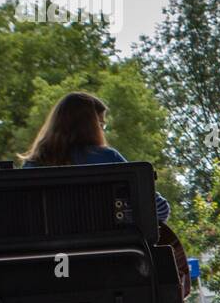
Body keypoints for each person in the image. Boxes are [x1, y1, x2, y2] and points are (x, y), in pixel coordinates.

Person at [20, 91, 171, 223]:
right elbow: (159, 209)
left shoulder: (31, 166)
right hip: (108, 253)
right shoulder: (106, 158)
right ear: (91, 126)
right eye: (101, 125)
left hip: (49, 255)